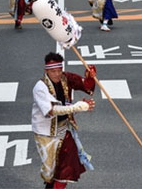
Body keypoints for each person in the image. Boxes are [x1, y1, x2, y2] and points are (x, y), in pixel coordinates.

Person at [32, 52, 96, 189]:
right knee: (50, 172)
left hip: (65, 129)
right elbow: (52, 110)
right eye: (53, 71)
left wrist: (90, 77)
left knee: (67, 169)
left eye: (59, 70)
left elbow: (86, 85)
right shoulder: (40, 87)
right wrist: (76, 107)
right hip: (46, 133)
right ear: (46, 71)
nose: (57, 74)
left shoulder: (66, 78)